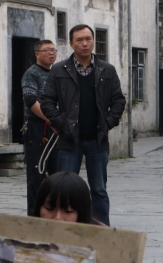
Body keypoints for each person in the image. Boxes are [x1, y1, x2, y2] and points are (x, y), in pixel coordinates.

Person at [39, 24, 126, 226]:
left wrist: (108, 122)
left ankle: (101, 230)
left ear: (93, 41)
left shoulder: (107, 70)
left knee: (99, 189)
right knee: (64, 189)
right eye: (79, 40)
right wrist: (61, 124)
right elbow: (47, 102)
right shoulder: (59, 70)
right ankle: (64, 228)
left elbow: (118, 101)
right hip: (69, 141)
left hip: (97, 140)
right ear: (71, 43)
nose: (85, 43)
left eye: (88, 39)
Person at [21, 40, 58, 215]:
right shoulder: (31, 74)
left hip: (56, 130)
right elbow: (30, 100)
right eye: (47, 50)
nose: (51, 53)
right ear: (37, 54)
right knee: (36, 175)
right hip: (37, 129)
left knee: (57, 173)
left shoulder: (57, 73)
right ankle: (34, 217)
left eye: (53, 50)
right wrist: (49, 119)